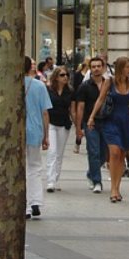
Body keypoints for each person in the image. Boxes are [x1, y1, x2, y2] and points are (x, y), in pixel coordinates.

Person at [87, 56, 129, 203]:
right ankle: (113, 189)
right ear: (120, 68)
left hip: (126, 121)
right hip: (111, 120)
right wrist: (92, 116)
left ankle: (117, 187)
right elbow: (100, 99)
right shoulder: (109, 82)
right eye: (127, 67)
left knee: (122, 154)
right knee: (114, 152)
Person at [24, 56, 51, 218]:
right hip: (35, 129)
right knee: (34, 167)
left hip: (16, 132)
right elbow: (45, 112)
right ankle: (35, 202)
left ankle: (25, 205)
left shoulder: (11, 85)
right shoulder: (39, 86)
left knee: (21, 168)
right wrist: (46, 136)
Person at [76, 56, 108, 193]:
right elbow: (80, 107)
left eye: (98, 66)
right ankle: (97, 181)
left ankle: (91, 172)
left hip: (107, 122)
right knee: (93, 151)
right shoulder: (84, 87)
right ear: (90, 69)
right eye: (93, 67)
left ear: (103, 68)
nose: (96, 69)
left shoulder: (109, 84)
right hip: (90, 123)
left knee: (104, 154)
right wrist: (79, 127)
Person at [46, 65, 73, 193]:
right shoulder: (49, 90)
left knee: (59, 154)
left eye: (67, 74)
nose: (65, 77)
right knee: (52, 152)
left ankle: (55, 178)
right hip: (51, 123)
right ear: (56, 77)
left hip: (64, 123)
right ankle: (50, 181)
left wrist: (78, 127)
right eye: (62, 75)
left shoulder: (70, 91)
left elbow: (72, 109)